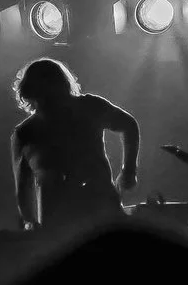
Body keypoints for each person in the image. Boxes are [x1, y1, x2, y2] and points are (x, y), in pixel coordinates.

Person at [10, 58, 138, 235]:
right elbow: (23, 190)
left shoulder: (90, 107)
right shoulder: (25, 133)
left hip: (98, 215)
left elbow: (129, 125)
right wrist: (30, 222)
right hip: (61, 222)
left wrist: (129, 170)